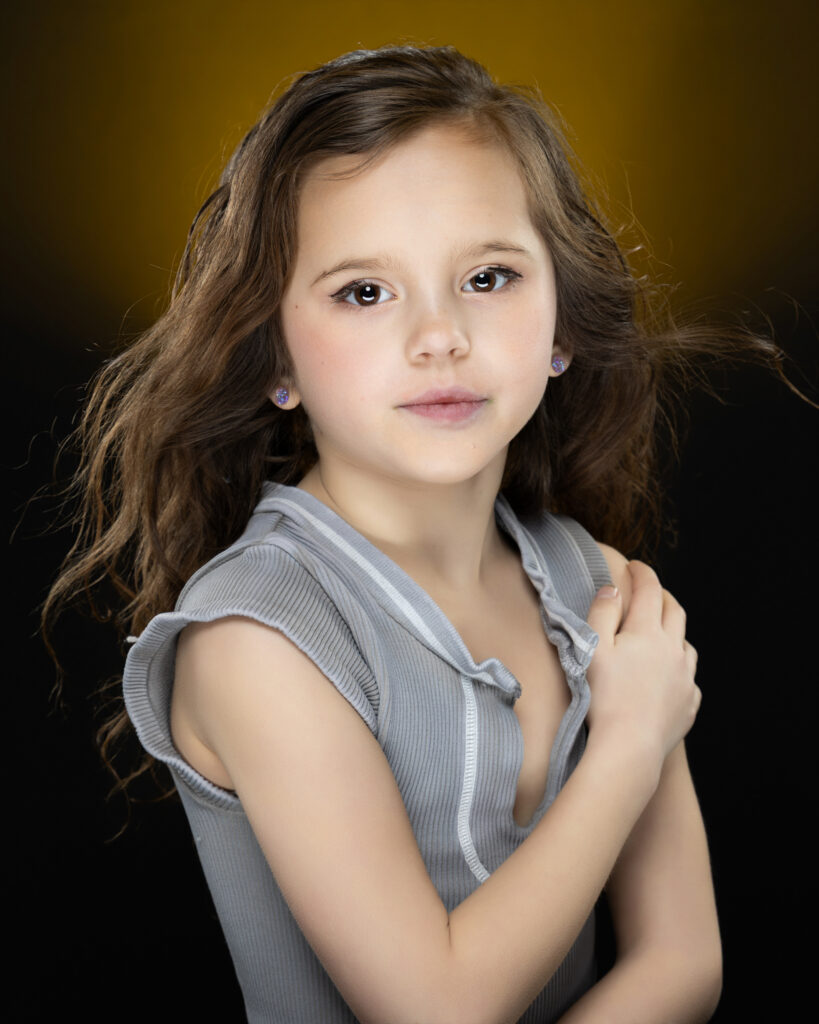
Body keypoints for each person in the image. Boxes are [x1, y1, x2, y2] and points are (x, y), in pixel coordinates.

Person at [47, 43, 771, 1022]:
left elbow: (683, 961)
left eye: (488, 276)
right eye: (364, 291)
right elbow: (437, 1008)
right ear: (277, 358)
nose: (440, 336)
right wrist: (630, 744)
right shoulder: (258, 639)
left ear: (561, 321)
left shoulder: (591, 578)